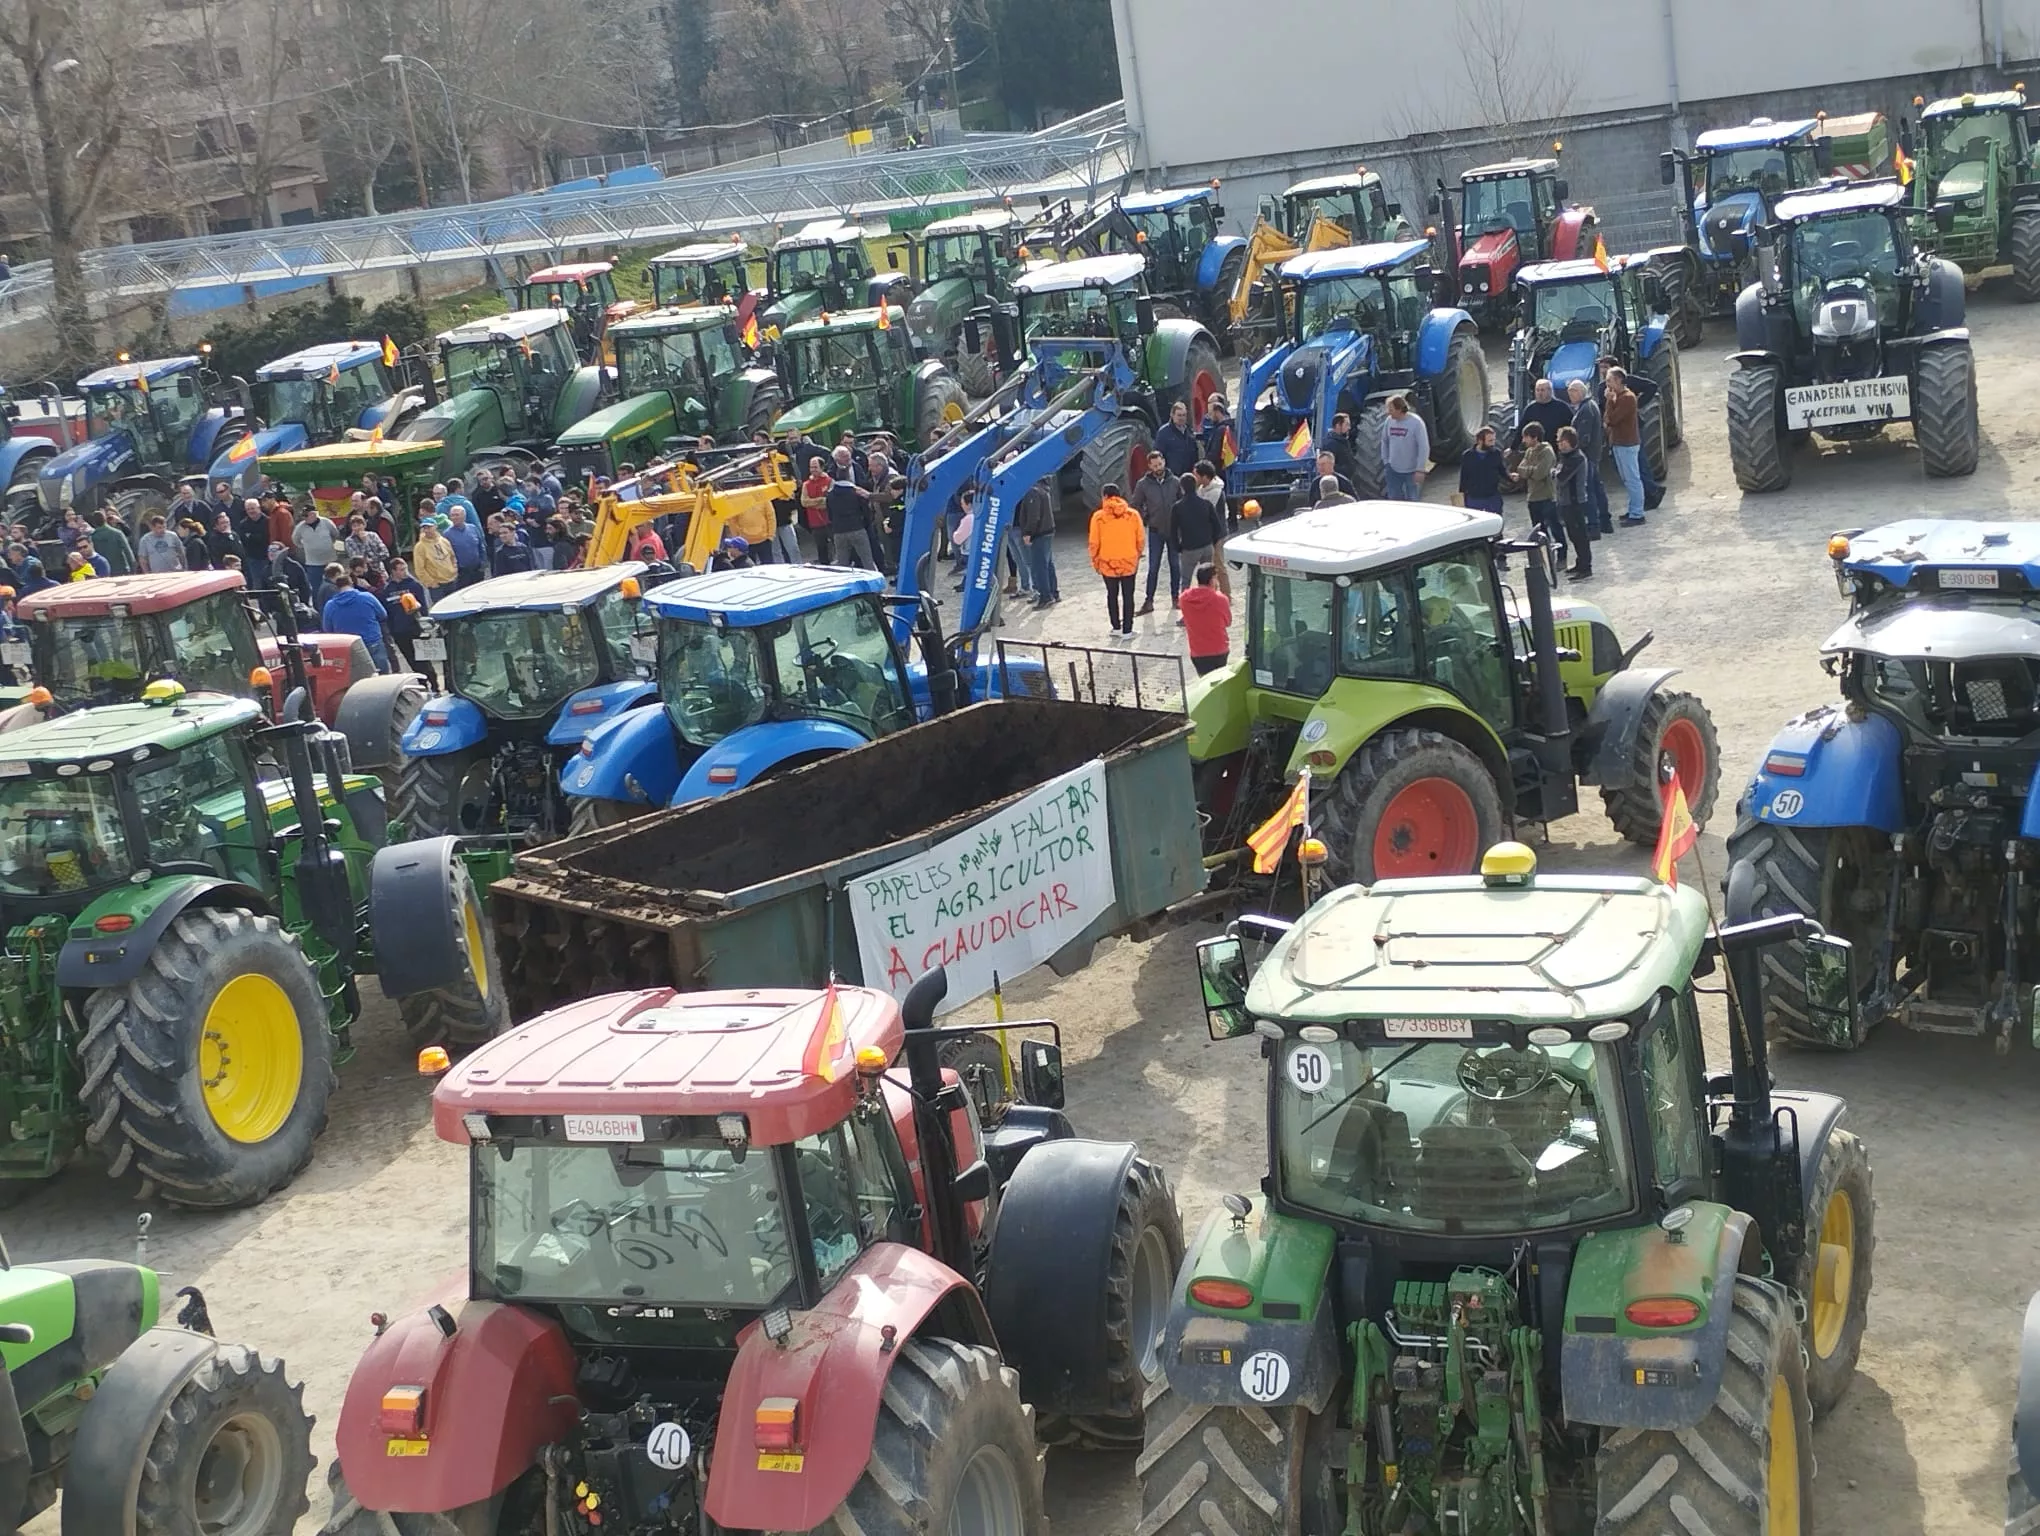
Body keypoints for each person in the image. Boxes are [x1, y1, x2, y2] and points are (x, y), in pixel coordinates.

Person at [1088, 483, 1144, 638]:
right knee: (1128, 595)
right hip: (1129, 561)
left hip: (1108, 562)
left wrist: (1095, 561)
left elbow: (1094, 542)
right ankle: (1128, 630)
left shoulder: (1098, 517)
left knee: (1111, 595)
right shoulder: (1133, 515)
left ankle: (1116, 627)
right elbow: (1140, 538)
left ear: (1104, 496)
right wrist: (1137, 555)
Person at [1130, 451, 1178, 617]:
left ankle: (1175, 597)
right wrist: (1146, 517)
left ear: (1164, 462)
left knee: (1175, 565)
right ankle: (1149, 600)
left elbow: (1182, 501)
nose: (1158, 468)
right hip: (1155, 530)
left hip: (1173, 530)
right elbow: (1135, 504)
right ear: (1149, 466)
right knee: (1153, 567)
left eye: (1160, 464)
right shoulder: (1143, 484)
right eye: (1155, 465)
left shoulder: (1175, 482)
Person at [320, 570, 392, 672]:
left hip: (349, 646)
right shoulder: (367, 597)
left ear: (336, 588)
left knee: (358, 678)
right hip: (372, 641)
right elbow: (383, 615)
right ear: (351, 584)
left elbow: (327, 629)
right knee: (382, 676)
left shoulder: (330, 606)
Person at [1603, 366, 1647, 526]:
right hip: (1619, 442)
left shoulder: (1627, 398)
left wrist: (1609, 401)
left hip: (1627, 443)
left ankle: (1637, 514)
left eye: (1609, 380)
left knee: (1633, 479)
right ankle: (1633, 509)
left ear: (1619, 380)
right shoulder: (1619, 397)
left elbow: (1612, 419)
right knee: (1627, 479)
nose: (1607, 384)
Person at [1173, 472, 1223, 610]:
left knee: (1186, 581)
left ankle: (1186, 612)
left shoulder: (1178, 507)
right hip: (1206, 546)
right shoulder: (1206, 504)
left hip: (1189, 548)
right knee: (1209, 579)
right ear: (1196, 485)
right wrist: (1211, 540)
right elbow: (1217, 526)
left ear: (1182, 488)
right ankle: (1211, 608)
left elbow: (1173, 530)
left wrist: (1178, 547)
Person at [1566, 379, 1610, 535]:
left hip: (1587, 457)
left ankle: (1593, 526)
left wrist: (1572, 451)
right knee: (1597, 488)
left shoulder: (1586, 409)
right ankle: (1605, 521)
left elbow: (1584, 438)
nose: (1569, 395)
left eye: (1572, 392)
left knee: (1589, 491)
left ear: (1579, 392)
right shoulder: (1588, 406)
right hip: (1592, 455)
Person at [825, 448, 878, 570]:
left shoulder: (830, 494)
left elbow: (829, 514)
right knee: (867, 560)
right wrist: (865, 522)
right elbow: (864, 509)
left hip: (839, 531)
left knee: (843, 565)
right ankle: (876, 586)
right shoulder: (855, 492)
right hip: (857, 528)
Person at [383, 557, 433, 684]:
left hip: (416, 628)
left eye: (405, 568)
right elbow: (387, 613)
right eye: (401, 570)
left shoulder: (414, 585)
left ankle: (434, 684)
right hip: (399, 632)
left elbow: (424, 608)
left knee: (424, 659)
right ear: (393, 571)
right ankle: (422, 683)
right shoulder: (387, 590)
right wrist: (391, 631)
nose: (405, 572)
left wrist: (426, 625)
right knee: (411, 660)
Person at [1518, 423, 1562, 567]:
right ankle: (1545, 559)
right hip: (1533, 498)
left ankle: (1562, 557)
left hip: (1546, 497)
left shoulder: (1547, 452)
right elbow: (1520, 469)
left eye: (1526, 437)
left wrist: (1528, 471)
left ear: (1535, 438)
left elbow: (1539, 474)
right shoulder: (1529, 451)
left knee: (1555, 529)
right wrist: (1530, 470)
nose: (1523, 441)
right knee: (1539, 532)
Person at [1553, 426, 1593, 580]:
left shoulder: (1576, 458)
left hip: (1575, 502)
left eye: (1562, 442)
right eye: (1559, 442)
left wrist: (1554, 473)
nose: (1560, 445)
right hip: (1566, 502)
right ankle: (1579, 563)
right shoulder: (1566, 457)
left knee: (1580, 535)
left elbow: (1561, 477)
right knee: (1573, 535)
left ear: (1570, 442)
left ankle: (1585, 567)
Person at [1179, 562, 1232, 675]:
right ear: (1212, 580)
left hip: (1198, 652)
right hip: (1219, 650)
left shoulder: (1184, 599)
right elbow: (1228, 622)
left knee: (1204, 682)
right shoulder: (1220, 599)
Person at [1015, 482, 1059, 607]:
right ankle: (1054, 593)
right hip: (1047, 532)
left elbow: (1034, 516)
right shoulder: (1043, 490)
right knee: (1048, 565)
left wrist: (1028, 532)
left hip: (1039, 534)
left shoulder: (1032, 492)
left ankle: (1045, 597)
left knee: (1040, 567)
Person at [1381, 395, 1430, 502]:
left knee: (1413, 501)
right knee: (1395, 502)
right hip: (1393, 470)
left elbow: (1424, 447)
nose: (1388, 412)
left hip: (1412, 471)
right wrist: (1386, 462)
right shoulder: (1389, 421)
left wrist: (1420, 469)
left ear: (1400, 409)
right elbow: (1384, 441)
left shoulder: (1416, 423)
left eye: (1391, 409)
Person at [1458, 425, 1507, 515]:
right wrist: (1461, 496)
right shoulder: (1468, 456)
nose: (1493, 443)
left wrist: (1512, 478)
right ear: (1480, 441)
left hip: (1492, 497)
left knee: (1496, 523)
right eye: (1490, 441)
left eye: (1493, 440)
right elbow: (1464, 476)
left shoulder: (1496, 453)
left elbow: (1502, 470)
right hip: (1474, 498)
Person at [1514, 378, 1573, 451]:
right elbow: (1521, 430)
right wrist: (1513, 448)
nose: (1539, 393)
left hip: (1557, 450)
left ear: (1550, 391)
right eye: (1537, 390)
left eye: (1542, 390)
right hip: (1536, 451)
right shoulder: (1530, 409)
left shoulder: (1562, 408)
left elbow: (1571, 430)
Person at [412, 515, 459, 597]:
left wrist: (454, 571)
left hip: (451, 581)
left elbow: (452, 557)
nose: (427, 530)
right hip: (437, 585)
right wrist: (431, 582)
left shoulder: (444, 541)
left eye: (429, 527)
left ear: (435, 526)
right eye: (424, 528)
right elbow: (419, 569)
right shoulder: (420, 546)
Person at [800, 457, 835, 563]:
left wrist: (813, 502)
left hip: (830, 521)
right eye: (811, 467)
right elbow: (804, 502)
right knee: (821, 549)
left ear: (822, 467)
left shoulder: (829, 481)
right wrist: (820, 500)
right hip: (815, 524)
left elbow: (829, 502)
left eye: (815, 467)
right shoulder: (806, 484)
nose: (813, 469)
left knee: (837, 546)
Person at [1154, 400, 1200, 477]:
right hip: (1172, 477)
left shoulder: (1189, 431)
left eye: (1184, 415)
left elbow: (1195, 452)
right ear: (1172, 415)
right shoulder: (1163, 433)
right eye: (1179, 415)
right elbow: (1158, 456)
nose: (1181, 418)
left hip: (1189, 475)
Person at [443, 504, 485, 586]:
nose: (454, 517)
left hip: (477, 569)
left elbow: (481, 546)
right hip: (461, 573)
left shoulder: (473, 528)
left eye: (457, 515)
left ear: (464, 516)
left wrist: (483, 562)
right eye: (452, 515)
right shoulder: (447, 534)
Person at [267, 541, 313, 612]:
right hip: (277, 609)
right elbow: (264, 592)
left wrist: (303, 604)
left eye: (274, 550)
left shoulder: (294, 566)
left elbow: (305, 587)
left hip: (296, 606)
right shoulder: (266, 570)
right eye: (269, 550)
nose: (271, 553)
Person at [87, 510, 135, 575]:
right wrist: (133, 569)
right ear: (105, 519)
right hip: (121, 569)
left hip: (102, 571)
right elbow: (128, 552)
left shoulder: (92, 537)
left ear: (93, 523)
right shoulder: (117, 533)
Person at [293, 503, 340, 569]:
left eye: (306, 515)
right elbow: (295, 540)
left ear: (314, 514)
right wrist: (306, 546)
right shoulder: (300, 527)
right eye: (303, 516)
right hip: (312, 563)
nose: (304, 518)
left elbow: (335, 534)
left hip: (330, 560)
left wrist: (328, 543)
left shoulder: (327, 522)